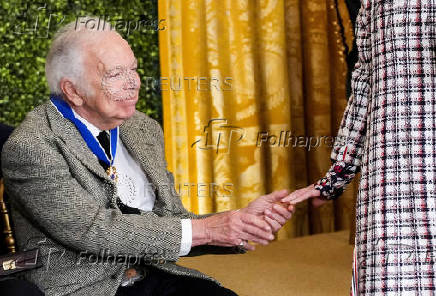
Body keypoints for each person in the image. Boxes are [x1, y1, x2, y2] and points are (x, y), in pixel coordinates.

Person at [1, 17, 294, 296]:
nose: (134, 83)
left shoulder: (142, 128)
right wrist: (209, 229)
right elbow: (94, 230)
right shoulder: (31, 146)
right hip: (87, 287)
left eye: (134, 69)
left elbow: (171, 220)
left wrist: (238, 223)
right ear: (73, 91)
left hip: (153, 272)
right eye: (115, 74)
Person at [283, 1, 436, 295]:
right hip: (388, 161)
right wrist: (337, 173)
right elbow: (364, 81)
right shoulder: (372, 5)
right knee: (388, 276)